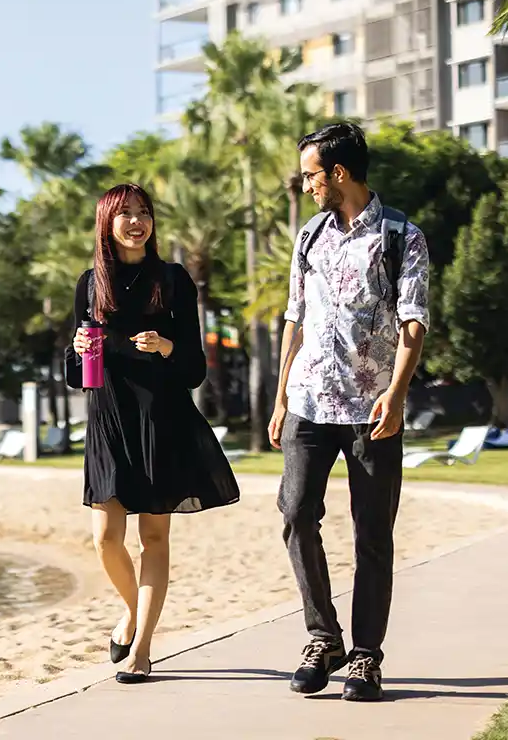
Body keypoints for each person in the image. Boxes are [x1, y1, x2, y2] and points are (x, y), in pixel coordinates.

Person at [269, 123, 430, 702]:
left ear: (338, 173)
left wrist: (397, 392)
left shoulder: (400, 235)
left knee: (372, 536)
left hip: (372, 410)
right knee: (294, 513)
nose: (306, 184)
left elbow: (413, 324)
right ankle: (324, 637)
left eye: (311, 174)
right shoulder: (309, 236)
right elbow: (296, 317)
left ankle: (366, 656)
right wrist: (282, 392)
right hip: (310, 402)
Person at [67, 182, 240, 684]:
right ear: (107, 223)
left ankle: (142, 647)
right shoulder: (89, 283)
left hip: (160, 419)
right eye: (126, 214)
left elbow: (194, 367)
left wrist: (166, 345)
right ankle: (131, 612)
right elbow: (76, 373)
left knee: (154, 535)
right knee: (105, 538)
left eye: (144, 213)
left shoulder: (174, 279)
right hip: (109, 420)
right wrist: (78, 349)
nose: (137, 222)